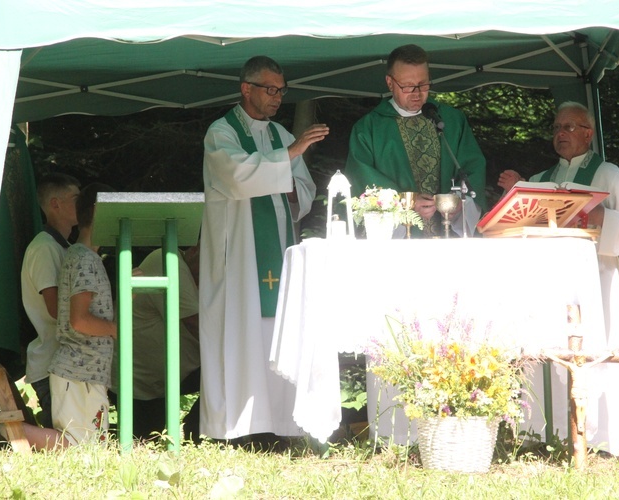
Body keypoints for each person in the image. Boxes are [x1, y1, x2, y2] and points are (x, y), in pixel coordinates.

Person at [497, 101, 619, 455]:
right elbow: (523, 223)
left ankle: (596, 435)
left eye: (569, 127)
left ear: (588, 133)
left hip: (595, 279)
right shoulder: (539, 179)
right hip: (547, 283)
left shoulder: (611, 175)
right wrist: (516, 195)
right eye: (556, 128)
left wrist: (602, 217)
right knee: (545, 345)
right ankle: (541, 431)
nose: (561, 134)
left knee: (594, 347)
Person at [199, 55, 326, 440]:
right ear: (246, 89)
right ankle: (239, 426)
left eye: (281, 90)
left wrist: (293, 190)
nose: (277, 97)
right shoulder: (220, 133)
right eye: (271, 89)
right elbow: (238, 177)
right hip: (238, 255)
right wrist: (288, 157)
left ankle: (282, 423)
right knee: (241, 330)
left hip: (278, 248)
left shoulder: (282, 135)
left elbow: (303, 188)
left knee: (278, 331)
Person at [345, 44, 487, 237]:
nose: (417, 93)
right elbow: (363, 182)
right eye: (407, 86)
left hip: (447, 241)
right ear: (390, 83)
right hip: (396, 245)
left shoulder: (451, 120)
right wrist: (405, 204)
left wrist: (461, 204)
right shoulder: (369, 129)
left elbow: (472, 169)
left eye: (423, 84)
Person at [48, 182, 117, 446]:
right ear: (99, 212)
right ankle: (2, 434)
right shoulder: (85, 259)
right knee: (76, 447)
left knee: (87, 447)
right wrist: (114, 329)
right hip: (79, 373)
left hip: (85, 374)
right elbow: (79, 321)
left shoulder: (86, 258)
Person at [110, 245, 202, 442]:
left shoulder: (203, 274)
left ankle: (199, 426)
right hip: (139, 384)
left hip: (164, 380)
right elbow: (197, 325)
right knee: (140, 444)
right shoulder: (168, 261)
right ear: (194, 250)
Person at [20, 173, 80, 429]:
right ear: (55, 204)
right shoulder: (45, 247)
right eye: (77, 199)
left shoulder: (62, 246)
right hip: (52, 366)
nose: (84, 205)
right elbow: (57, 310)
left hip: (63, 364)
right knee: (68, 442)